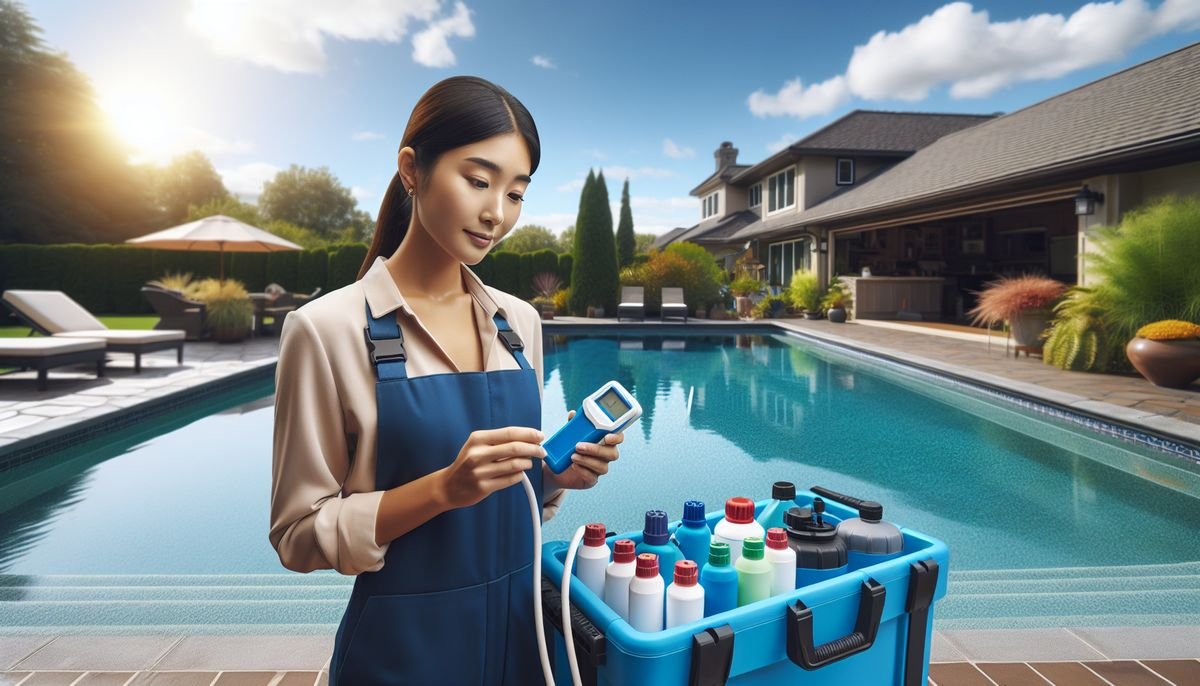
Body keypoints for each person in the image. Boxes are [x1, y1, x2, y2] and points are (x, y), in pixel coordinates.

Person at [269, 76, 624, 685]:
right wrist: (441, 490)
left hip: (523, 643)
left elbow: (511, 501)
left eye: (516, 193)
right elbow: (299, 535)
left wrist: (551, 474)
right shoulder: (324, 330)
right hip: (402, 657)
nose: (497, 214)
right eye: (478, 181)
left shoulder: (521, 324)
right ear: (412, 169)